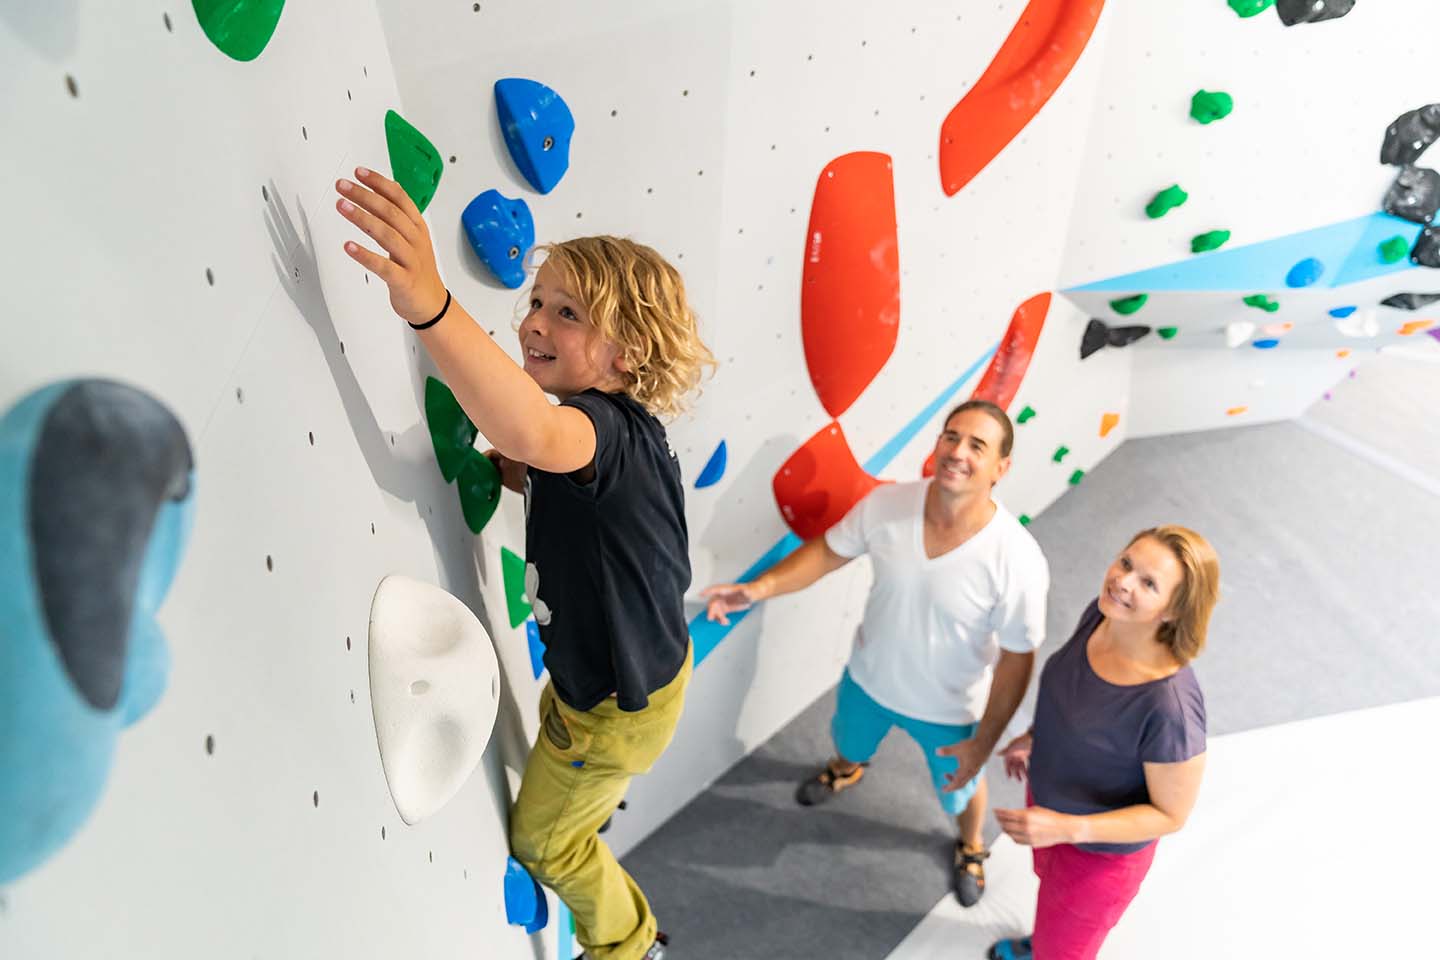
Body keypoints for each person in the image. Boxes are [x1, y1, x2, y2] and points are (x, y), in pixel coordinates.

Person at [335, 167, 714, 960]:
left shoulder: (593, 431)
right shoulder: (625, 433)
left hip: (615, 709)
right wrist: (521, 468)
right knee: (568, 764)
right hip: (630, 685)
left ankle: (628, 943)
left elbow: (541, 435)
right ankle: (589, 799)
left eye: (567, 313)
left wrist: (433, 308)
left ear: (626, 352)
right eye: (536, 302)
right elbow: (546, 459)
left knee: (547, 846)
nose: (536, 323)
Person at [702, 400, 1049, 906]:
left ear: (1001, 467)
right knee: (847, 743)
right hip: (868, 681)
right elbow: (826, 552)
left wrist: (984, 742)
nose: (958, 451)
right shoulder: (888, 505)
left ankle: (971, 846)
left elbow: (1018, 660)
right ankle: (846, 769)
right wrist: (759, 589)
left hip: (948, 710)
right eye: (952, 436)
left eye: (977, 445)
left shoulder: (1017, 559)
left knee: (961, 792)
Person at [987, 526, 1218, 960]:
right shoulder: (1103, 615)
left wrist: (1067, 828)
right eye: (1127, 563)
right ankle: (1045, 943)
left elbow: (1170, 815)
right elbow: (1075, 695)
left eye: (1148, 583)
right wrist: (1038, 737)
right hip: (1053, 812)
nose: (1122, 582)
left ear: (1173, 611)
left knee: (1066, 949)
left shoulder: (1170, 709)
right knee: (1052, 907)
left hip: (1097, 857)